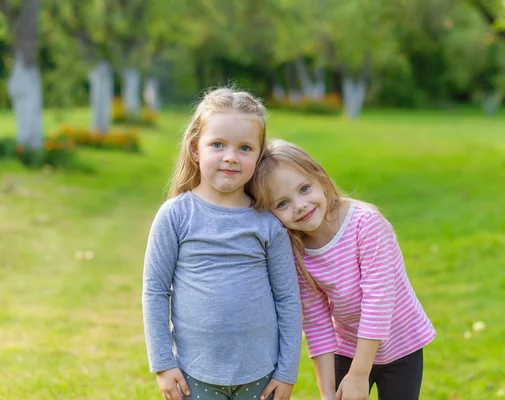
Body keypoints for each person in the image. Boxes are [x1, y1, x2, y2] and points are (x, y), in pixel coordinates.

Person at [142, 89, 302, 400]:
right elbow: (155, 291)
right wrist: (163, 364)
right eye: (218, 144)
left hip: (261, 374)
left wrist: (286, 371)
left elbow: (287, 300)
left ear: (259, 156)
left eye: (244, 147)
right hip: (193, 373)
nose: (230, 157)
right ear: (195, 149)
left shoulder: (268, 223)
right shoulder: (175, 216)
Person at [250, 140, 436, 400]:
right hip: (347, 345)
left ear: (321, 180)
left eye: (304, 189)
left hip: (401, 344)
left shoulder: (366, 225)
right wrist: (327, 393)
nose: (300, 205)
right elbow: (316, 320)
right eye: (282, 204)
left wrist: (359, 374)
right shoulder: (295, 249)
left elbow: (378, 301)